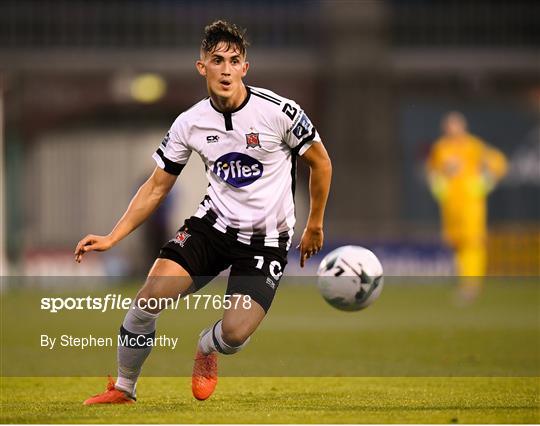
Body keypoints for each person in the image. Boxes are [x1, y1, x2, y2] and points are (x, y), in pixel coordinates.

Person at [74, 20, 332, 404]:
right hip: (212, 230)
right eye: (217, 60)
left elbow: (321, 163)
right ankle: (124, 388)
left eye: (234, 60)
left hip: (265, 243)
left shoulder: (279, 113)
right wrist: (113, 236)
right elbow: (157, 186)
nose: (225, 69)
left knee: (234, 334)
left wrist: (314, 224)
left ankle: (207, 348)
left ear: (245, 67)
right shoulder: (190, 122)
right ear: (202, 67)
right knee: (147, 301)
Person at [426, 111, 507, 300]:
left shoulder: (473, 145)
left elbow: (499, 163)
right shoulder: (440, 147)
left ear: (463, 127)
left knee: (472, 242)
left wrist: (482, 185)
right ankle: (464, 282)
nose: (451, 129)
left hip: (471, 204)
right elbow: (432, 171)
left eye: (454, 125)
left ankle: (472, 284)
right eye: (448, 125)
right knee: (456, 243)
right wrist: (439, 188)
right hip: (450, 205)